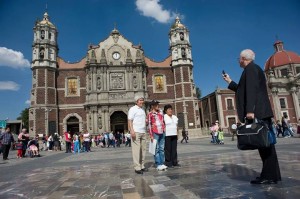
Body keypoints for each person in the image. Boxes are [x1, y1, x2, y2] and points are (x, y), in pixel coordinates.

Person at [223, 49, 281, 184]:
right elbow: (244, 90)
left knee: (265, 145)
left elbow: (251, 90)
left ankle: (269, 176)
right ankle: (272, 175)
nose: (238, 60)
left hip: (258, 112)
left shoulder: (250, 69)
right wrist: (230, 82)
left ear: (243, 58)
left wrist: (250, 111)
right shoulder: (252, 69)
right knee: (266, 145)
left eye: (239, 58)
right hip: (260, 111)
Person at [128, 95, 147, 174]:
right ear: (136, 101)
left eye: (142, 100)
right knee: (136, 150)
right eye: (140, 100)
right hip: (136, 132)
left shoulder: (142, 110)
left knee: (143, 150)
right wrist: (131, 131)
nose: (141, 102)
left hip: (143, 131)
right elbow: (130, 120)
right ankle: (137, 167)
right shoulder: (132, 109)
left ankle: (142, 165)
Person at [148, 100, 167, 171]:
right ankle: (158, 163)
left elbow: (163, 121)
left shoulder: (161, 112)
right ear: (152, 106)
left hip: (162, 132)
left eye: (158, 104)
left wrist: (164, 129)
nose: (157, 106)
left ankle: (162, 162)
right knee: (156, 149)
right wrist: (151, 135)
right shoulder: (150, 114)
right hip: (155, 132)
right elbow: (149, 125)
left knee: (162, 148)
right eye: (156, 105)